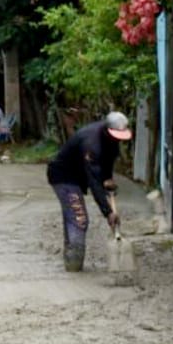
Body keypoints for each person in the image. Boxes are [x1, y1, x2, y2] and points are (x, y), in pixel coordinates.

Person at [46, 111, 133, 272]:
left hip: (77, 175)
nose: (119, 140)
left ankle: (70, 260)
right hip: (63, 177)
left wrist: (108, 178)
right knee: (78, 218)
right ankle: (74, 265)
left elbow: (109, 158)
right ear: (108, 130)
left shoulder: (110, 139)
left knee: (72, 216)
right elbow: (94, 182)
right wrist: (108, 212)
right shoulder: (91, 143)